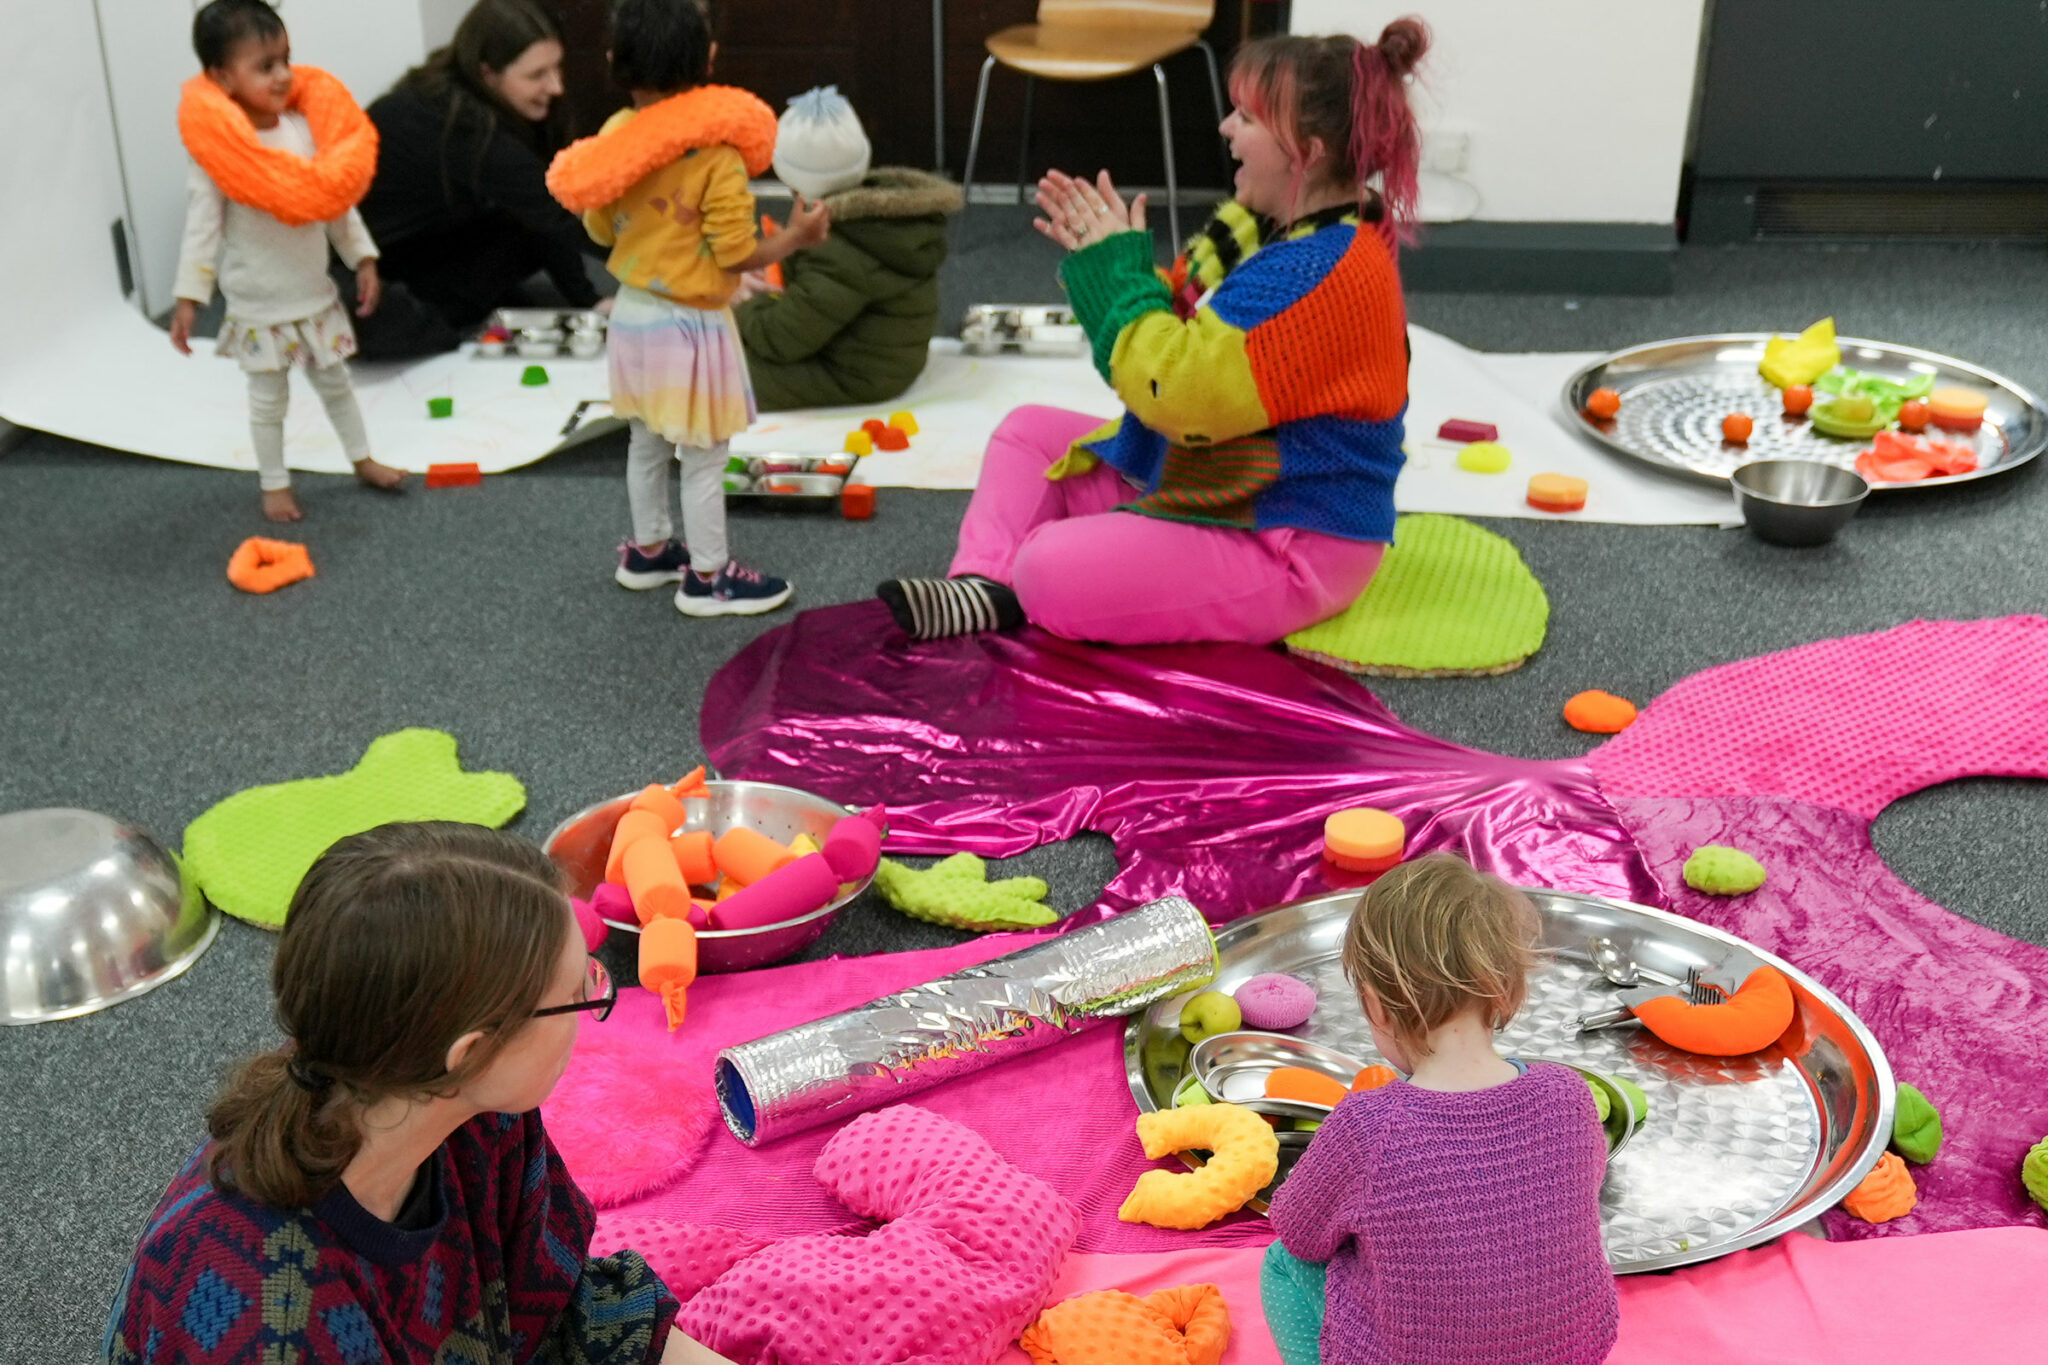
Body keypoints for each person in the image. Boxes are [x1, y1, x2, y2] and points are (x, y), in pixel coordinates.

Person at [874, 23, 1432, 646]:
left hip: (1291, 538)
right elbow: (1161, 354)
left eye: (1246, 116)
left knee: (1046, 568)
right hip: (1229, 480)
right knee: (1026, 433)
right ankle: (982, 588)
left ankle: (1015, 581)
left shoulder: (1320, 270)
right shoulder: (1291, 227)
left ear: (1309, 149)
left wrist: (1117, 276)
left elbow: (1177, 394)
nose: (1226, 128)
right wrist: (1117, 271)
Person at [103, 822, 738, 1364]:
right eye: (578, 993)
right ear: (471, 1051)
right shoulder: (269, 1322)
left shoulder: (464, 1108)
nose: (592, 1007)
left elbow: (566, 1315)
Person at [1259, 854, 1619, 1365]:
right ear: (1509, 990)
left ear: (1377, 1006)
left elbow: (1299, 1232)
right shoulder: (1570, 1095)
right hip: (1573, 1353)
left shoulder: (1369, 1127)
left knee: (1281, 1264)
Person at [555, 0, 826, 616]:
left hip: (631, 313)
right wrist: (796, 238)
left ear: (613, 63)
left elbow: (599, 230)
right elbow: (736, 255)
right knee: (704, 456)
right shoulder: (717, 154)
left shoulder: (615, 134)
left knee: (645, 443)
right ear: (707, 59)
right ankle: (708, 579)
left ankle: (648, 551)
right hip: (690, 324)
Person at [171, 0, 407, 523]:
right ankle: (274, 484)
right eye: (264, 66)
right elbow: (202, 227)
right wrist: (189, 298)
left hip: (313, 293)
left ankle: (362, 458)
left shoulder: (301, 129)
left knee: (336, 384)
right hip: (261, 304)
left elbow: (334, 204)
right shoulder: (220, 153)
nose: (283, 76)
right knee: (268, 401)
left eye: (285, 59)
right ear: (221, 77)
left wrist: (362, 257)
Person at [346, 0, 604, 357]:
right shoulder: (459, 124)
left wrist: (586, 299)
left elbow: (544, 204)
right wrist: (662, 263)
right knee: (418, 334)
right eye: (536, 75)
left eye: (556, 68)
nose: (557, 86)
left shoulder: (464, 85)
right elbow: (557, 213)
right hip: (376, 270)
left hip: (427, 240)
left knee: (527, 222)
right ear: (488, 73)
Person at [734, 87, 963, 410]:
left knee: (715, 376)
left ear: (794, 181)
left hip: (860, 374)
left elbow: (780, 340)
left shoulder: (835, 247)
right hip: (887, 356)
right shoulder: (876, 210)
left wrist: (741, 305)